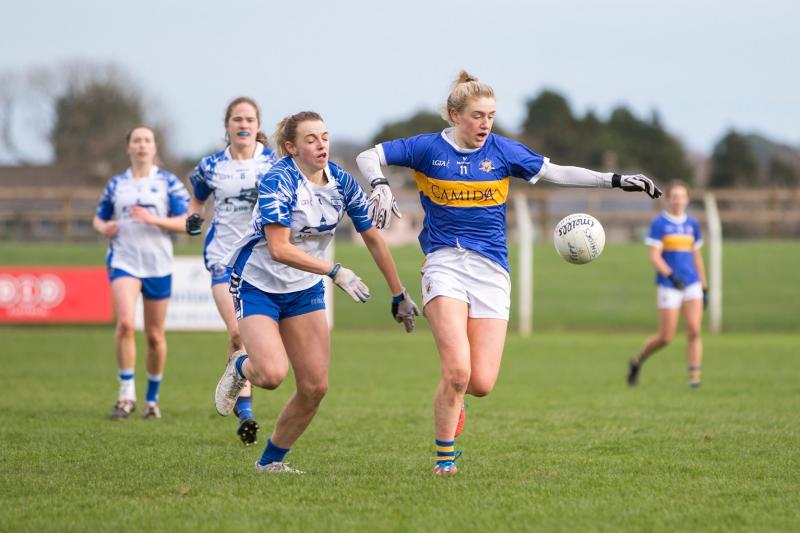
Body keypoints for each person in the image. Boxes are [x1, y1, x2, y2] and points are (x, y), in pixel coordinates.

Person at [356, 70, 662, 476]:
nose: (485, 124)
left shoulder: (502, 151)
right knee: (457, 371)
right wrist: (378, 182)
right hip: (444, 264)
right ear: (454, 115)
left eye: (491, 116)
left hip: (491, 272)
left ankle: (456, 399)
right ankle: (444, 461)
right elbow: (367, 155)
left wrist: (616, 180)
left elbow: (556, 172)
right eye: (477, 115)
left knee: (479, 383)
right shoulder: (427, 148)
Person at [214, 111, 419, 474]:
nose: (321, 144)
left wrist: (398, 293)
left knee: (315, 387)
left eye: (324, 136)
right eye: (311, 139)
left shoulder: (341, 182)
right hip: (258, 283)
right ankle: (240, 366)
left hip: (303, 288)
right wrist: (334, 270)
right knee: (273, 374)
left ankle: (270, 463)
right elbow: (278, 248)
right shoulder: (280, 178)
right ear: (292, 147)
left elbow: (372, 237)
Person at [186, 97, 276, 445]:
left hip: (260, 260)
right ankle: (247, 415)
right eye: (237, 118)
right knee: (238, 331)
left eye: (249, 119)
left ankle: (236, 385)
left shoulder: (273, 163)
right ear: (227, 125)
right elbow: (197, 200)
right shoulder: (211, 166)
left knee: (245, 337)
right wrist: (194, 217)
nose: (243, 124)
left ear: (257, 125)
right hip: (223, 257)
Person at [92, 125, 190, 420]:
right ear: (129, 147)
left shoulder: (168, 183)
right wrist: (104, 228)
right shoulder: (117, 184)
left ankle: (151, 399)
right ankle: (126, 396)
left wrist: (154, 219)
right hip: (124, 260)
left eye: (147, 140)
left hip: (158, 264)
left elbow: (188, 221)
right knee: (124, 324)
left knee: (155, 336)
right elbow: (98, 218)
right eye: (136, 140)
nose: (142, 145)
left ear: (155, 147)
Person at [627, 180, 707, 388]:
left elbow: (696, 256)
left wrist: (704, 286)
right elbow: (654, 256)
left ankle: (694, 378)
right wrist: (671, 276)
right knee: (666, 337)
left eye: (682, 197)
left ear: (687, 199)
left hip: (691, 283)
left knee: (694, 329)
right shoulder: (659, 223)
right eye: (674, 197)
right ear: (668, 199)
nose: (678, 201)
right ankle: (637, 360)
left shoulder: (692, 224)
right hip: (669, 284)